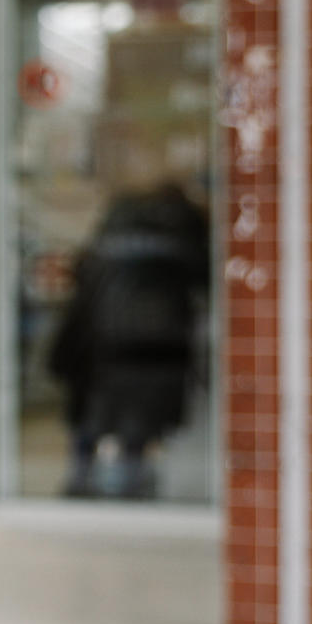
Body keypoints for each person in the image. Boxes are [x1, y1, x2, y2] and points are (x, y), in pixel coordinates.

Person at [47, 180, 208, 497]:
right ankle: (133, 480)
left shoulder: (102, 250)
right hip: (164, 352)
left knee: (93, 419)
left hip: (106, 350)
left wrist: (65, 355)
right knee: (143, 421)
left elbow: (81, 309)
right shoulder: (184, 246)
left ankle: (83, 478)